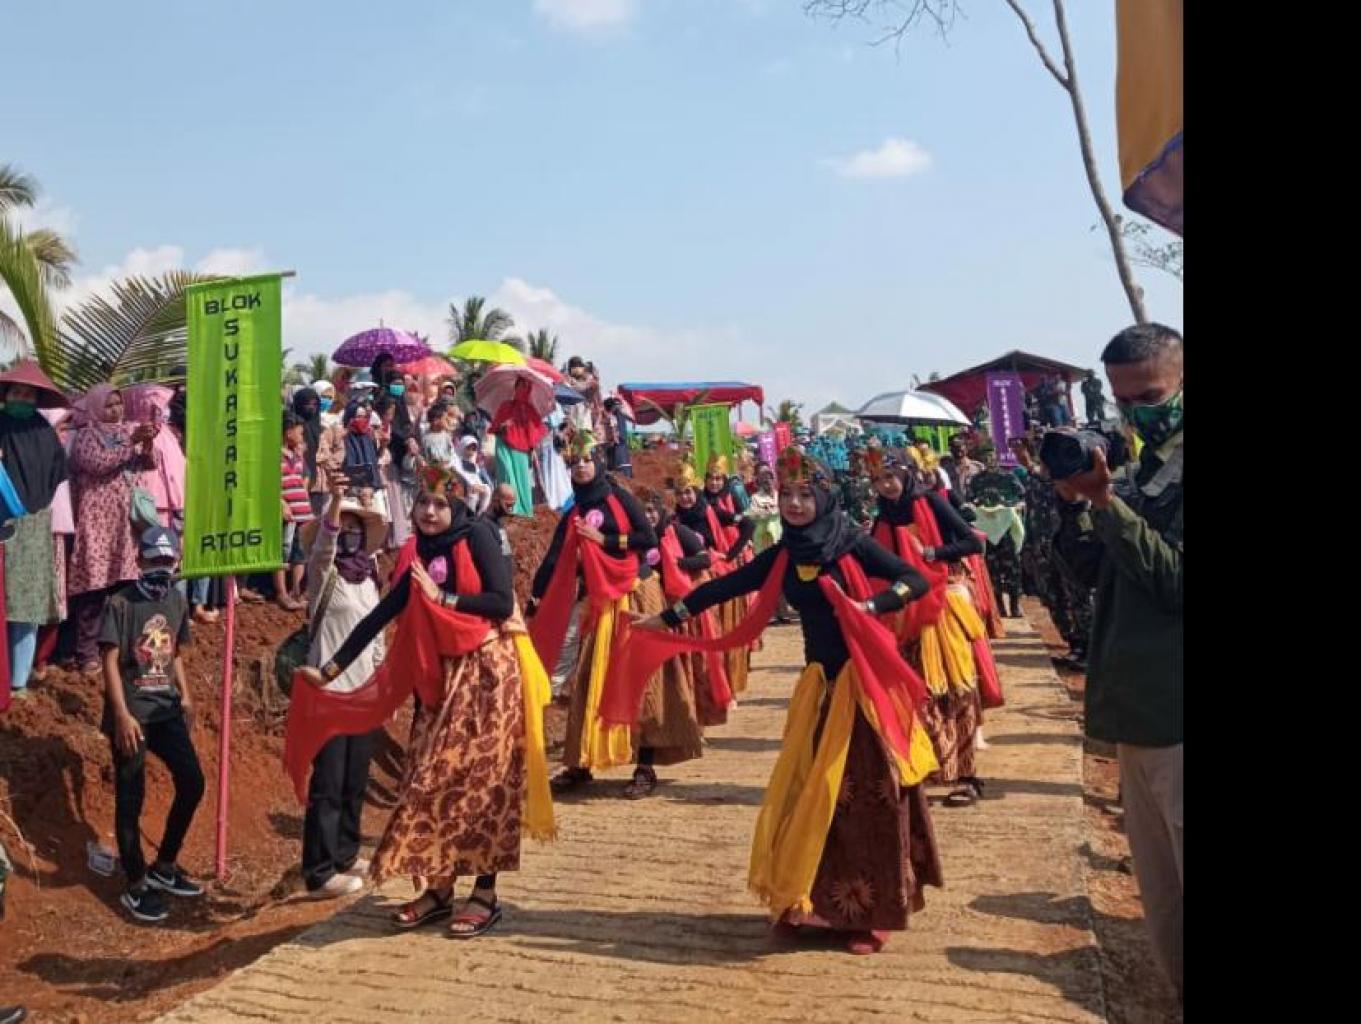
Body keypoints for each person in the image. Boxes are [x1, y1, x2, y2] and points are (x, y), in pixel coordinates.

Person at [621, 446, 941, 955]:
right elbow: (726, 586)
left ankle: (870, 915)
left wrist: (870, 605)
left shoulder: (851, 542)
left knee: (864, 801)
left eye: (804, 494)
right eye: (786, 494)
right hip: (819, 689)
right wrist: (666, 618)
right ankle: (806, 903)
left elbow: (915, 579)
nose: (793, 504)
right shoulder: (788, 553)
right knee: (805, 796)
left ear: (825, 497)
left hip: (862, 690)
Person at [288, 463, 555, 937]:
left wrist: (443, 598)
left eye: (439, 504)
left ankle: (485, 894)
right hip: (440, 681)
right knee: (426, 780)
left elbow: (500, 601)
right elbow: (381, 615)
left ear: (456, 506)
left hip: (488, 677)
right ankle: (438, 889)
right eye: (423, 504)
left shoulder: (479, 536)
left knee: (484, 784)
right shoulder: (420, 552)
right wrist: (329, 671)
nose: (429, 512)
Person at [1054, 323, 1182, 1001]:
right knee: (1162, 902)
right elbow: (1088, 573)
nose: (1135, 412)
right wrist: (1074, 504)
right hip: (1136, 712)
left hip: (1177, 711)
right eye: (1122, 399)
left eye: (1149, 396)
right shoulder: (1137, 470)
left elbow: (1173, 582)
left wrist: (1108, 504)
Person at [527, 430, 668, 796]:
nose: (581, 467)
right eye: (574, 462)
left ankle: (645, 766)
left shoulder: (619, 499)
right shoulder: (573, 511)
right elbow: (555, 556)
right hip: (598, 601)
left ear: (600, 462)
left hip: (634, 595)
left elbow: (647, 538)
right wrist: (537, 595)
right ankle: (581, 762)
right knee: (589, 680)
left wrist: (605, 541)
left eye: (587, 460)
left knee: (639, 680)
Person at [867, 450, 991, 807]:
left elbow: (973, 541)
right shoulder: (882, 517)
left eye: (890, 477)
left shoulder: (931, 502)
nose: (886, 486)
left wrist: (932, 553)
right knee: (915, 693)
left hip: (942, 606)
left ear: (906, 474)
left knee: (955, 691)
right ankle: (930, 768)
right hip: (904, 613)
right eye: (878, 480)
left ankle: (966, 775)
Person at [101, 527, 205, 923]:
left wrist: (187, 695)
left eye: (167, 560)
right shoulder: (120, 604)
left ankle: (165, 865)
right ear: (140, 560)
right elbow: (110, 661)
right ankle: (135, 883)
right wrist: (121, 715)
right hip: (133, 716)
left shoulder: (176, 600)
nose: (161, 567)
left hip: (166, 710)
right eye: (154, 559)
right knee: (131, 797)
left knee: (193, 781)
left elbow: (174, 652)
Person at [297, 471, 388, 898]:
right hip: (329, 692)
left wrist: (382, 684)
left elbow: (377, 636)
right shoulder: (324, 577)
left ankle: (346, 853)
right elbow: (324, 547)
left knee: (354, 780)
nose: (349, 535)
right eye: (344, 528)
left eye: (355, 528)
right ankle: (319, 871)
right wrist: (335, 501)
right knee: (328, 784)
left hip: (363, 694)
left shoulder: (369, 579)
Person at [68, 384, 158, 675]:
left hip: (124, 524)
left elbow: (149, 464)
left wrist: (147, 443)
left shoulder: (126, 431)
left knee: (125, 587)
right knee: (94, 588)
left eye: (118, 403)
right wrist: (132, 441)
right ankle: (87, 653)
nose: (115, 409)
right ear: (95, 408)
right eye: (108, 405)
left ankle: (122, 647)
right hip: (97, 522)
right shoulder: (86, 436)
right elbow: (97, 464)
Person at [0, 364, 69, 700]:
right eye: (18, 392)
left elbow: (57, 473)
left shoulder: (45, 431)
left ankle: (18, 679)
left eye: (29, 394)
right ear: (7, 394)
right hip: (2, 522)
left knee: (26, 604)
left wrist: (32, 503)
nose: (23, 398)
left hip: (34, 524)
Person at [674, 458, 755, 695]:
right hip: (687, 581)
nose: (685, 498)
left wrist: (730, 555)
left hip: (716, 579)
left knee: (720, 635)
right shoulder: (675, 519)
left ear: (696, 491)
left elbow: (748, 524)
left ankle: (727, 684)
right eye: (680, 493)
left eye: (688, 492)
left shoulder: (711, 511)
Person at [489, 376, 546, 518]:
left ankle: (523, 510)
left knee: (522, 479)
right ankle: (507, 507)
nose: (521, 389)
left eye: (525, 386)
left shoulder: (530, 410)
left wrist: (532, 449)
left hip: (521, 448)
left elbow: (534, 432)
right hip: (503, 444)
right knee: (506, 473)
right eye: (519, 385)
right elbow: (494, 427)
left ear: (529, 389)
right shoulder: (505, 406)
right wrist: (503, 425)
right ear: (515, 387)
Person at [277, 413, 313, 611]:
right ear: (288, 432)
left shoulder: (297, 455)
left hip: (303, 513)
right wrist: (281, 503)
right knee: (282, 553)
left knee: (300, 553)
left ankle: (296, 591)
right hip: (287, 514)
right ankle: (282, 593)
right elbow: (270, 484)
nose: (301, 436)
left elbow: (302, 478)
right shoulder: (274, 455)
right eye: (299, 432)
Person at [455, 435, 494, 516]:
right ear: (463, 447)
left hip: (474, 485)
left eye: (473, 449)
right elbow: (461, 475)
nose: (471, 451)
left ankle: (481, 514)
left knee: (487, 489)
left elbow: (475, 476)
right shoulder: (457, 462)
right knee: (473, 495)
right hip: (462, 486)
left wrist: (479, 485)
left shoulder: (474, 464)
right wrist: (472, 485)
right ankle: (470, 515)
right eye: (468, 448)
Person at [483, 483, 517, 561]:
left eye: (512, 506)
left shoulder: (500, 524)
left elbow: (506, 552)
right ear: (495, 500)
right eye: (507, 505)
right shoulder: (483, 526)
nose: (510, 511)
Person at [602, 396, 633, 478]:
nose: (616, 407)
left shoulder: (606, 415)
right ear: (612, 407)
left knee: (608, 457)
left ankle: (609, 472)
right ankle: (613, 473)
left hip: (608, 439)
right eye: (615, 406)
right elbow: (613, 428)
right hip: (612, 440)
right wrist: (615, 438)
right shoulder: (611, 417)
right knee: (612, 457)